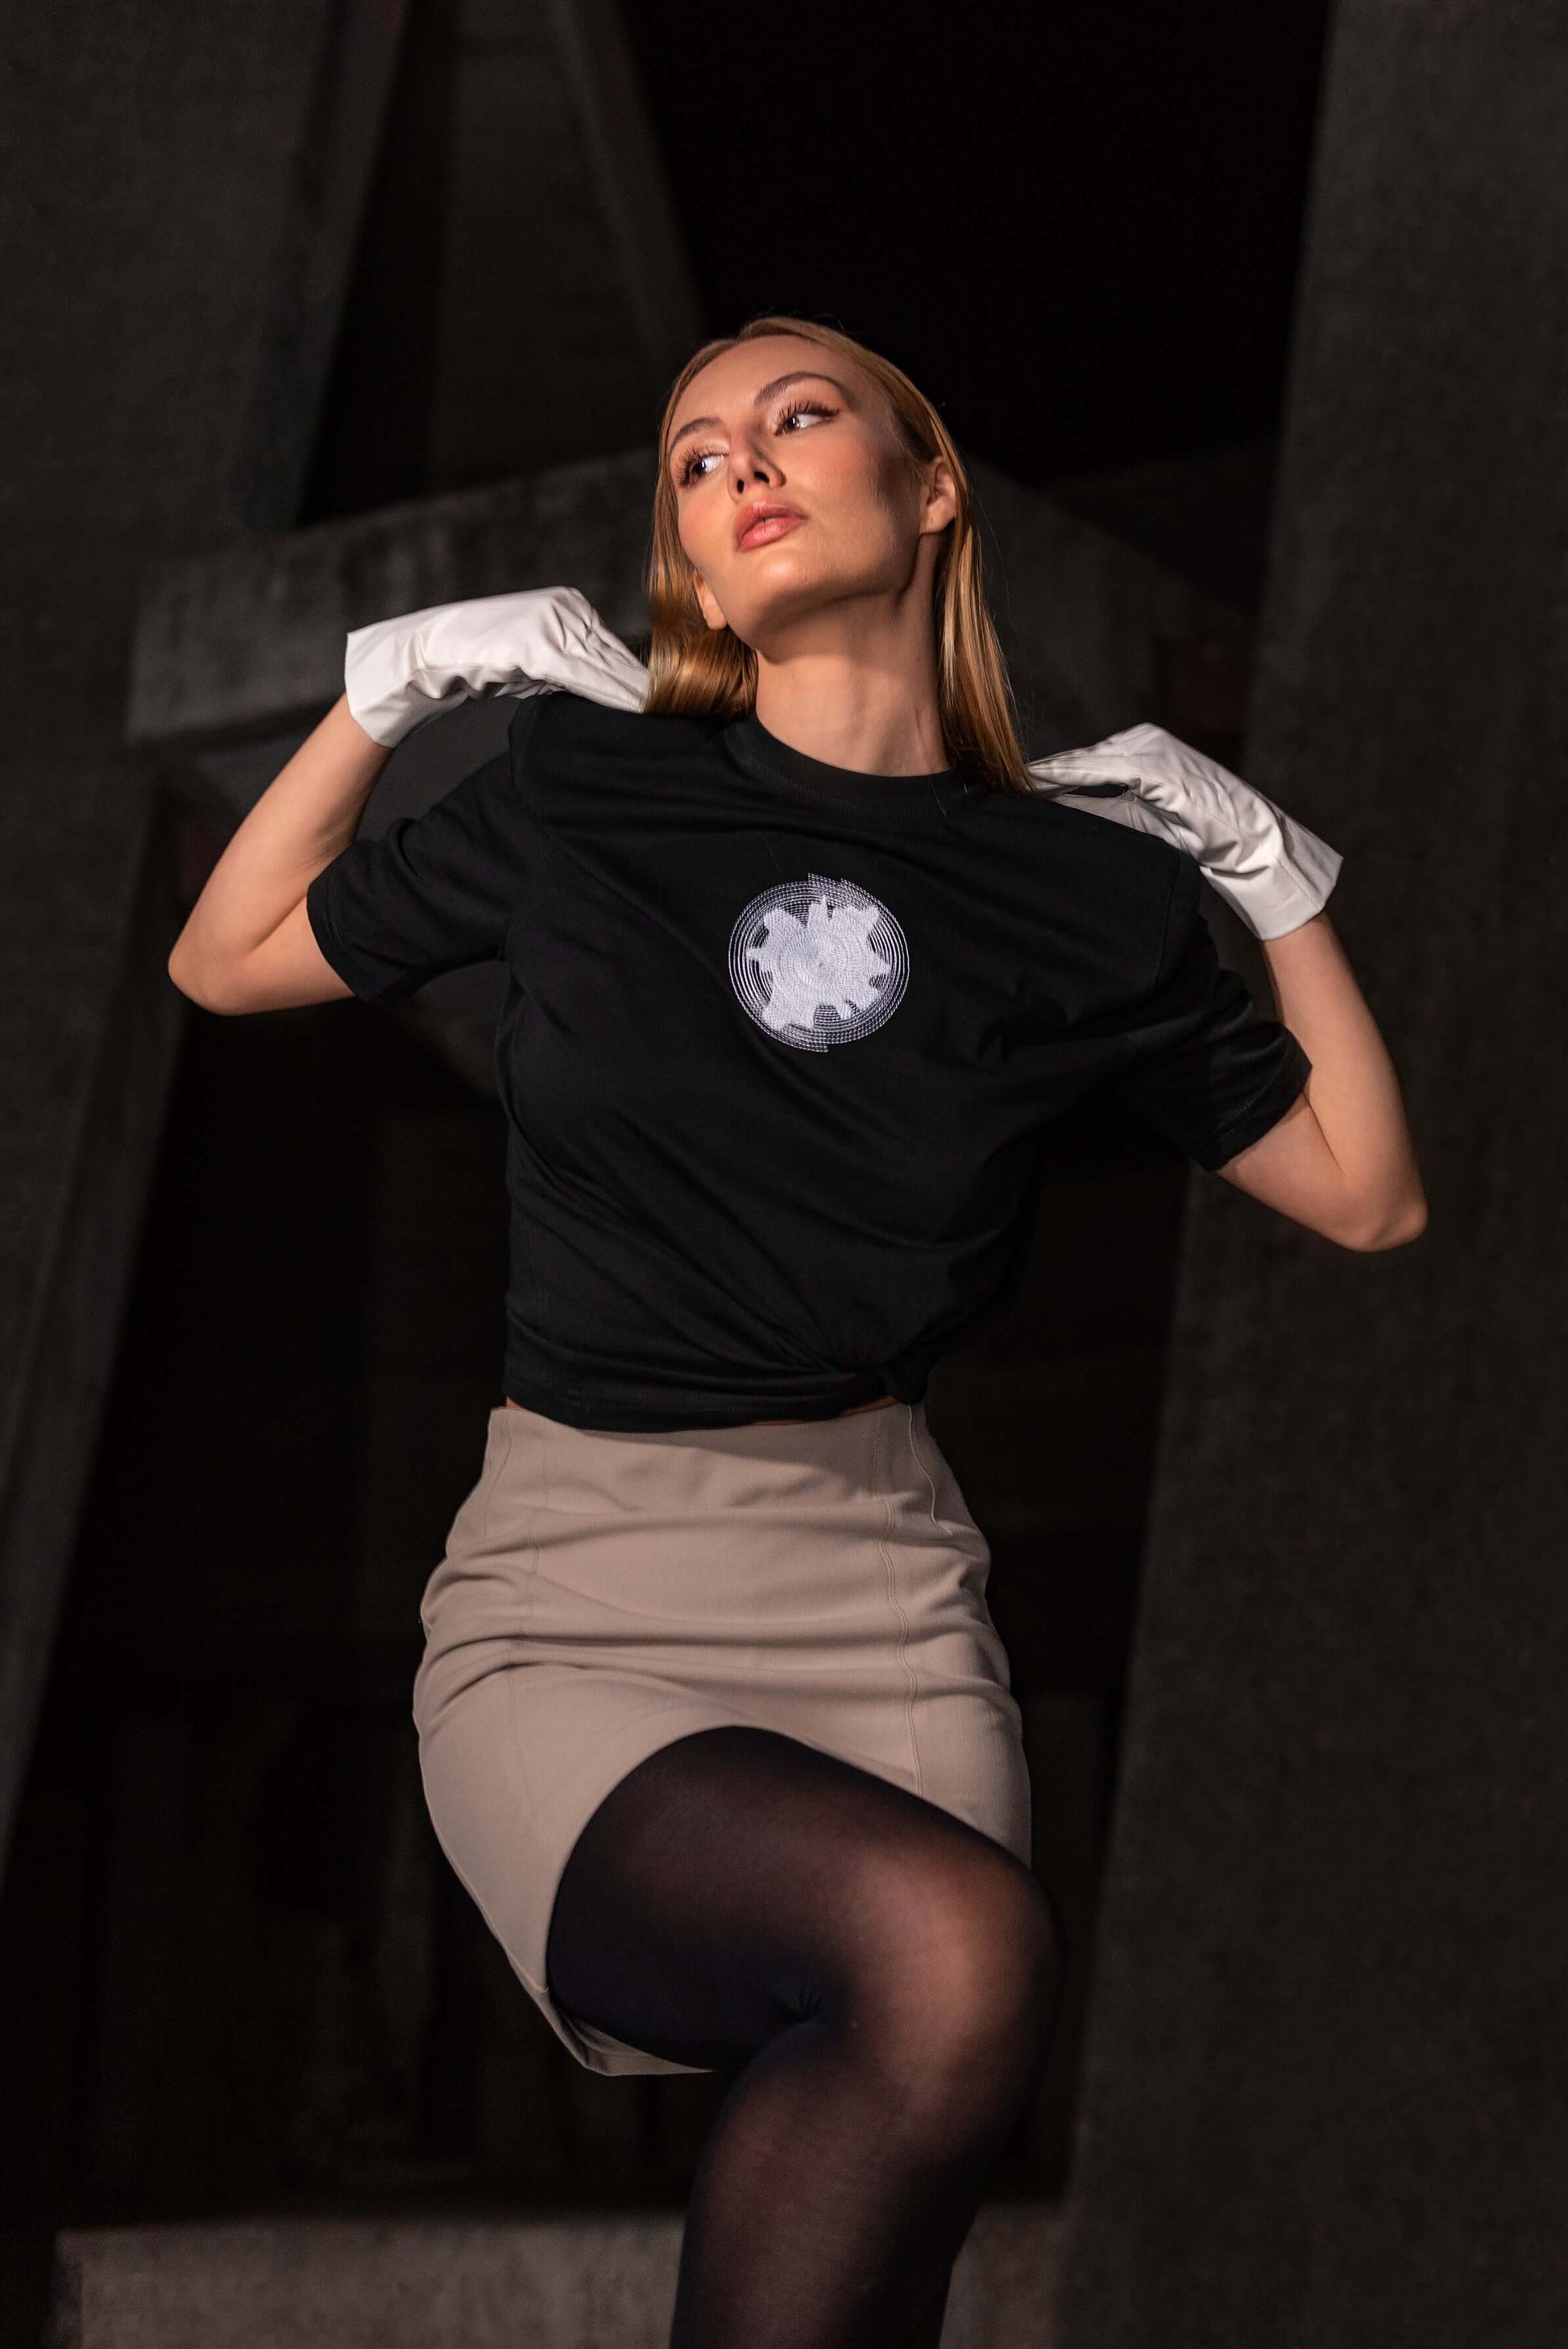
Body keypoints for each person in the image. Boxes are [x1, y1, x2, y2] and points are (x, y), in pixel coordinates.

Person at [167, 314, 1426, 2349]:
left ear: (930, 488)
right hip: (576, 1596)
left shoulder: (1074, 894)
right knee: (944, 1952)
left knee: (884, 2199)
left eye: (795, 416)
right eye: (689, 460)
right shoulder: (590, 790)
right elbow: (224, 958)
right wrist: (385, 701)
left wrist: (1268, 881)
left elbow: (1367, 1193)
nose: (735, 465)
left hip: (881, 1602)